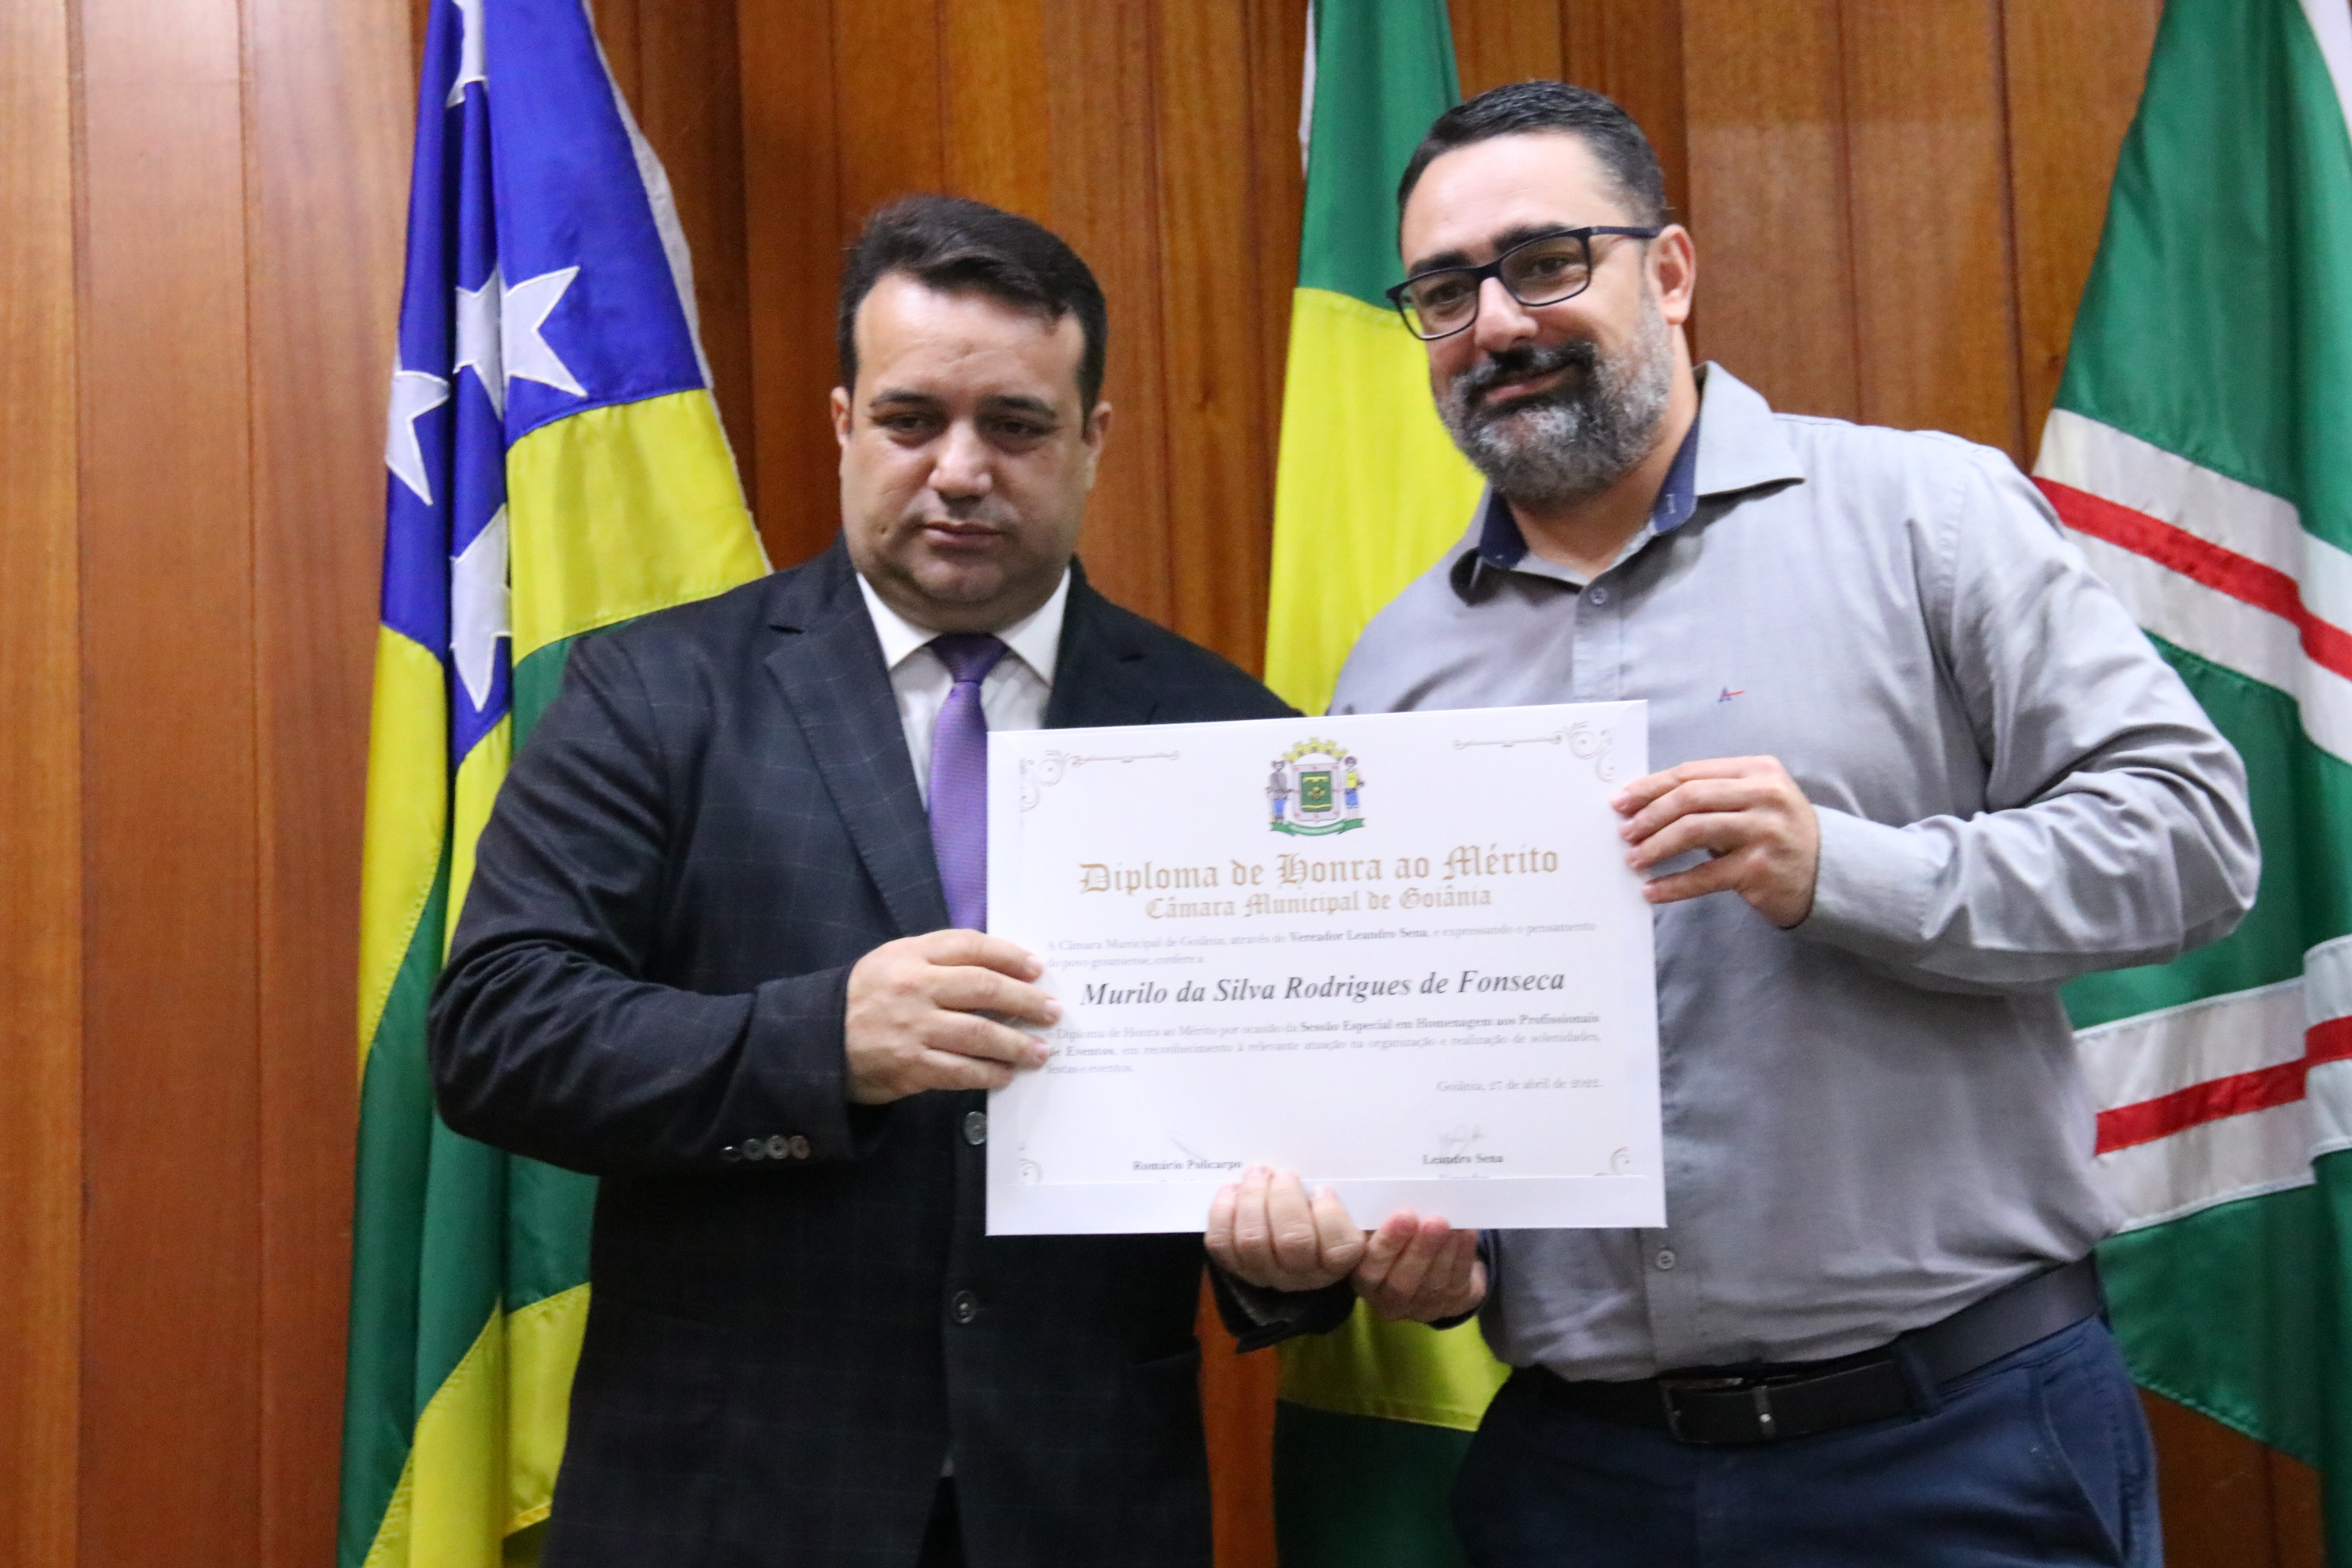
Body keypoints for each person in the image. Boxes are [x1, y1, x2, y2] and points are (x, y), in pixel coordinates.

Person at [1211, 82, 2257, 1566]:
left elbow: (2194, 841)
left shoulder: (1927, 515)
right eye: (1445, 292)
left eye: (1546, 262)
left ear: (1672, 272)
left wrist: (1843, 868)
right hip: (1583, 1478)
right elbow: (1421, 1062)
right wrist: (1437, 1247)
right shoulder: (1397, 668)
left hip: (1956, 1446)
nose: (1496, 323)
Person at [429, 194, 1342, 1568]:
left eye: (1016, 426)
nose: (960, 471)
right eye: (913, 420)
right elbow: (498, 1035)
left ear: (1093, 441)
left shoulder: (1236, 738)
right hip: (725, 1505)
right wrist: (821, 1043)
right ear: (844, 422)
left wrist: (1287, 1265)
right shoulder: (657, 692)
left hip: (1082, 1505)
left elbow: (1294, 1109)